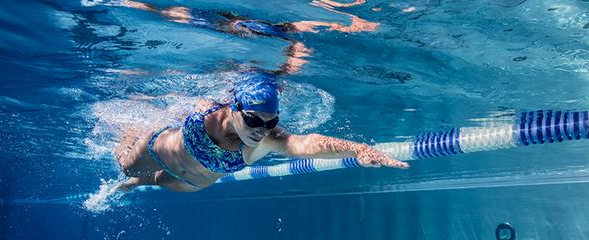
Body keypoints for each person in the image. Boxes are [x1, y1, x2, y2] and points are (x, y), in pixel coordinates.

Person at [113, 71, 409, 192]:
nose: (262, 130)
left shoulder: (265, 135)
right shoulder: (205, 109)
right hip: (158, 150)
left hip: (193, 183)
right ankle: (129, 138)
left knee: (142, 183)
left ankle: (139, 184)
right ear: (233, 107)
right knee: (127, 169)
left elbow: (304, 143)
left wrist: (359, 149)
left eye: (271, 122)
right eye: (254, 120)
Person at [114, 0, 379, 74]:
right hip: (235, 24)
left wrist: (346, 23)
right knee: (178, 14)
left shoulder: (286, 34)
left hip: (240, 28)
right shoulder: (286, 33)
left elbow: (309, 24)